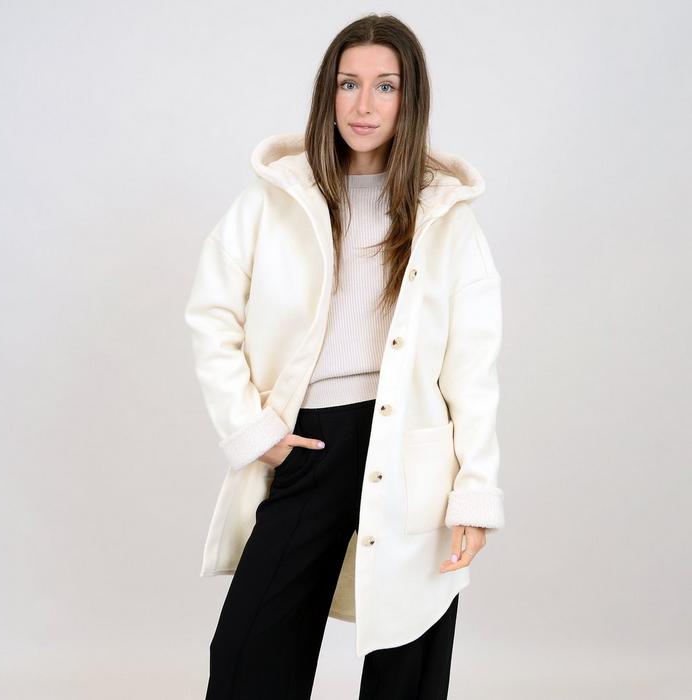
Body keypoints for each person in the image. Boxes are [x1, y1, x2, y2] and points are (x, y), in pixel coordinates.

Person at [184, 12, 505, 700]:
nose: (364, 105)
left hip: (412, 449)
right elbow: (211, 315)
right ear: (327, 93)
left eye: (385, 86)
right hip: (311, 443)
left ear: (410, 98)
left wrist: (474, 491)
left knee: (408, 657)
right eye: (348, 83)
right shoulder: (275, 200)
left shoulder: (447, 216)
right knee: (248, 653)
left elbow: (472, 369)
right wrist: (255, 431)